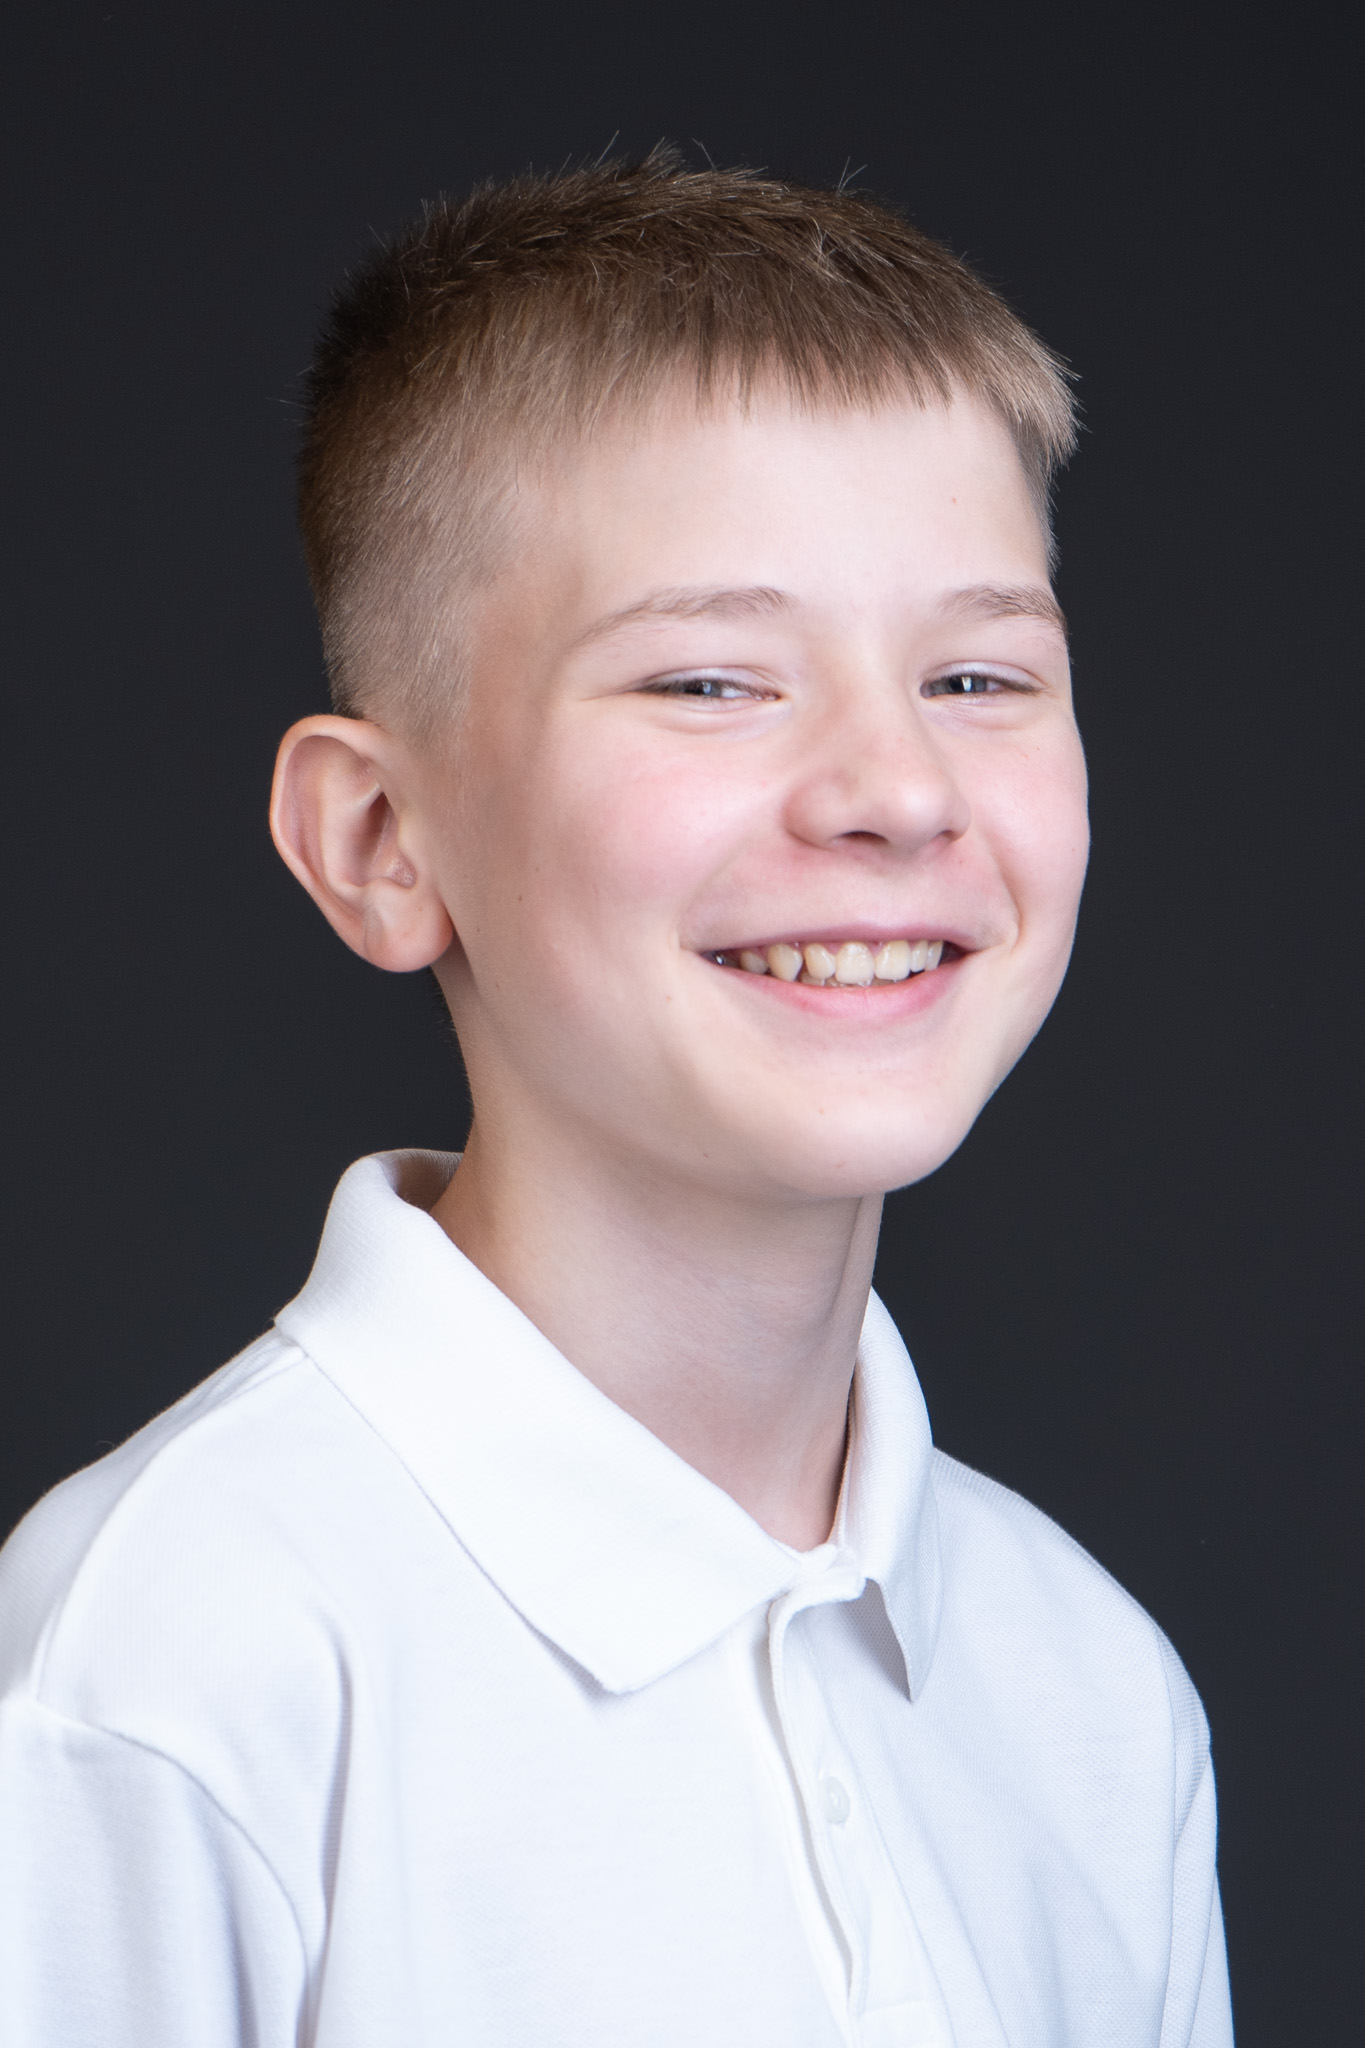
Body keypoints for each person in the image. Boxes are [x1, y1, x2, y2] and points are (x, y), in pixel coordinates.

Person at [0, 152, 1232, 2046]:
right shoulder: (166, 1673)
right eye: (712, 682)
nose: (897, 790)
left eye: (980, 674)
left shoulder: (1090, 1692)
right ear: (380, 839)